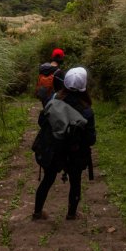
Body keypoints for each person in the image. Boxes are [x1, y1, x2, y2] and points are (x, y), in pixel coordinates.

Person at [32, 66, 96, 221]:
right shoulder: (86, 111)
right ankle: (72, 214)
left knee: (48, 179)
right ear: (84, 87)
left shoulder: (54, 101)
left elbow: (42, 122)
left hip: (54, 150)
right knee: (75, 181)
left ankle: (37, 212)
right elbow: (90, 139)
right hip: (75, 152)